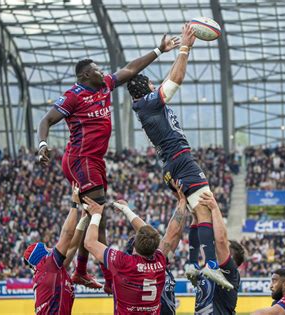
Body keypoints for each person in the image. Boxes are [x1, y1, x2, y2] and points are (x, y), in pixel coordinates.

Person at [37, 35, 180, 292]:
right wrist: (43, 145)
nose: (102, 72)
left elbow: (130, 69)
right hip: (81, 160)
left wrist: (159, 49)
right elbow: (46, 120)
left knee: (93, 216)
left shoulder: (103, 85)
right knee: (97, 216)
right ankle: (109, 280)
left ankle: (81, 271)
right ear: (84, 76)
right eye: (96, 69)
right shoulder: (73, 96)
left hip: (95, 161)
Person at [127, 22, 231, 289]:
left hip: (173, 165)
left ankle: (195, 265)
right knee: (206, 208)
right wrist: (185, 47)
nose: (155, 83)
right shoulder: (148, 103)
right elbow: (175, 81)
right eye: (151, 82)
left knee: (197, 214)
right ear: (145, 87)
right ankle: (209, 265)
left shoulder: (146, 106)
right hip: (181, 161)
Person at [83, 180, 188, 315]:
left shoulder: (124, 263)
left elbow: (89, 243)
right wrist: (182, 202)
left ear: (134, 246)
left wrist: (96, 214)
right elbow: (173, 232)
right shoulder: (160, 261)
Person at [22, 184, 89, 315]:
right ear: (41, 256)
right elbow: (67, 234)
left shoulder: (51, 270)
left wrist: (84, 219)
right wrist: (74, 203)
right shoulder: (48, 265)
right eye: (46, 247)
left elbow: (73, 246)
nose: (50, 248)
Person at [191, 192, 246, 314]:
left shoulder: (229, 272)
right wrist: (196, 218)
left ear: (230, 258)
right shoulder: (210, 268)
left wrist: (215, 208)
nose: (216, 248)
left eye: (225, 249)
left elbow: (221, 241)